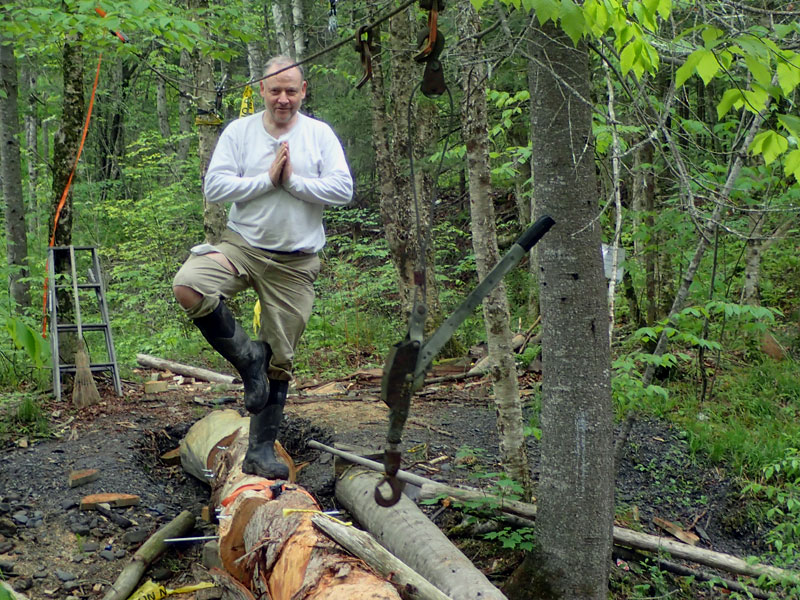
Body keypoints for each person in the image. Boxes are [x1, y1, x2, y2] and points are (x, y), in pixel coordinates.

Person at [172, 56, 353, 480]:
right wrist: (265, 181)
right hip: (243, 245)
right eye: (275, 91)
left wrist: (293, 183)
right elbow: (215, 187)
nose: (283, 98)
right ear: (262, 91)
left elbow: (343, 189)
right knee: (190, 284)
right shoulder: (240, 132)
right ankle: (247, 359)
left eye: (291, 90)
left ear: (303, 90)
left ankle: (259, 451)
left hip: (296, 258)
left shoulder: (319, 135)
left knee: (281, 357)